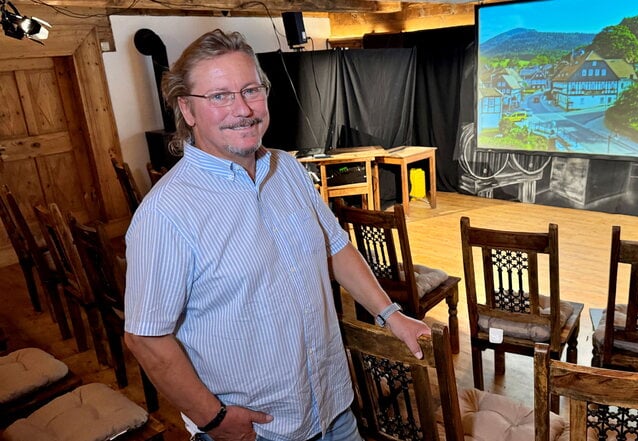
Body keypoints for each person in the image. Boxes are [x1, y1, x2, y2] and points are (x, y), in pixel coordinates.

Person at [123, 29, 430, 441]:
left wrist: (391, 314)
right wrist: (215, 420)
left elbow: (335, 247)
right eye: (220, 96)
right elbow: (145, 337)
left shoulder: (287, 169)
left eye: (251, 89)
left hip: (334, 406)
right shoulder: (165, 214)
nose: (243, 108)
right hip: (258, 429)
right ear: (187, 110)